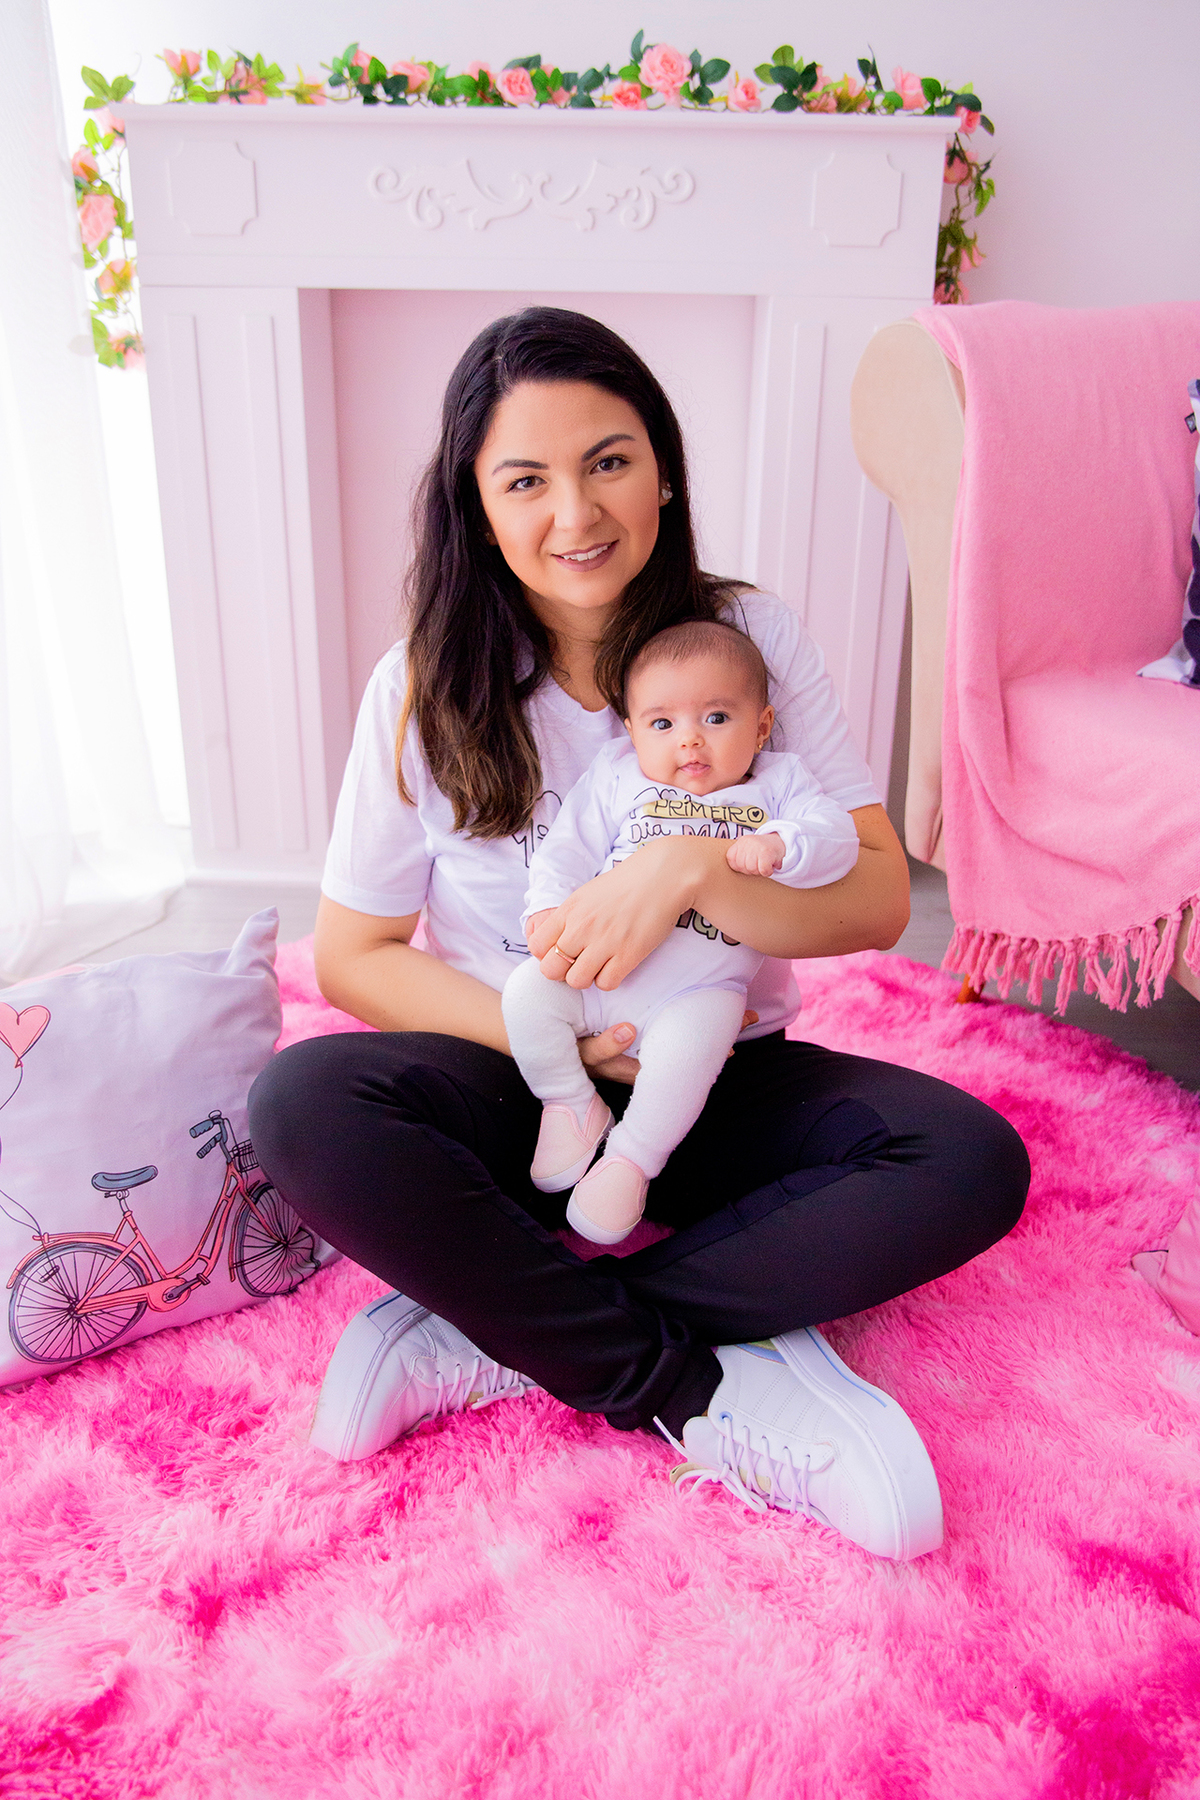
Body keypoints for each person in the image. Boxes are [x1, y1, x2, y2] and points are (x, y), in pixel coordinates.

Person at [248, 306, 1030, 1562]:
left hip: (724, 1062)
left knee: (969, 1161)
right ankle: (684, 1386)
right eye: (526, 480)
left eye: (609, 460)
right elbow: (354, 957)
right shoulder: (421, 683)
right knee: (302, 1101)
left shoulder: (752, 639)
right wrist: (569, 1042)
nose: (577, 513)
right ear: (477, 505)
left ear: (663, 470)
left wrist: (688, 872)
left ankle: (498, 1329)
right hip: (528, 1079)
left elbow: (879, 897)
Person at [502, 617, 860, 1245]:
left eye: (717, 719)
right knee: (527, 994)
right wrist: (547, 905)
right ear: (632, 731)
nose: (690, 741)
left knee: (689, 1058)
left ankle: (631, 1161)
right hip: (599, 977)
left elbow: (839, 837)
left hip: (697, 992)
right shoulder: (619, 776)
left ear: (763, 726)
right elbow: (568, 845)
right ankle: (568, 1102)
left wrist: (783, 844)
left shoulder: (779, 785)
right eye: (663, 724)